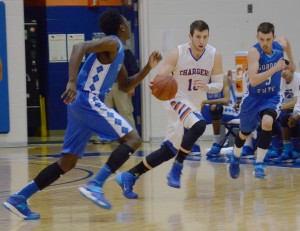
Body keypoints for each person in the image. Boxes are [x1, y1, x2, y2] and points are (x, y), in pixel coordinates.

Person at [2, 9, 162, 220]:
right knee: (133, 139)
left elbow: (125, 85)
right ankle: (95, 184)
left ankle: (20, 198)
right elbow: (79, 47)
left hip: (80, 105)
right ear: (122, 26)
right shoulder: (112, 42)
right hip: (88, 99)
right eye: (125, 21)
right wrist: (71, 81)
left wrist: (148, 68)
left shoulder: (118, 51)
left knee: (67, 162)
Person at [114, 20, 224, 199]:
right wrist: (158, 81)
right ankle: (177, 168)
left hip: (194, 105)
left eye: (205, 37)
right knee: (199, 125)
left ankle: (128, 176)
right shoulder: (177, 53)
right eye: (198, 36)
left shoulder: (214, 55)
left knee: (169, 150)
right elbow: (162, 75)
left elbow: (219, 84)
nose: (201, 40)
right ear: (190, 37)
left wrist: (208, 87)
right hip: (176, 99)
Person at [229, 22, 295, 179]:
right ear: (257, 37)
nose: (264, 43)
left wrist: (291, 61)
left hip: (271, 96)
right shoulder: (254, 52)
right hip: (253, 98)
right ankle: (235, 157)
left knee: (267, 122)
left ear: (273, 37)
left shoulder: (280, 45)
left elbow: (286, 42)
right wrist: (275, 69)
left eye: (268, 39)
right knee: (244, 133)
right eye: (261, 39)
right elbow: (253, 80)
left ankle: (259, 164)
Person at [266, 59, 300, 163]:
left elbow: (295, 101)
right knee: (268, 116)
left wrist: (280, 107)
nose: (284, 71)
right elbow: (277, 99)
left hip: (293, 108)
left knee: (287, 117)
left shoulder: (298, 78)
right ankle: (280, 148)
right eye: (281, 70)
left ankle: (294, 149)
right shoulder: (280, 81)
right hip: (290, 108)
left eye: (286, 69)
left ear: (292, 69)